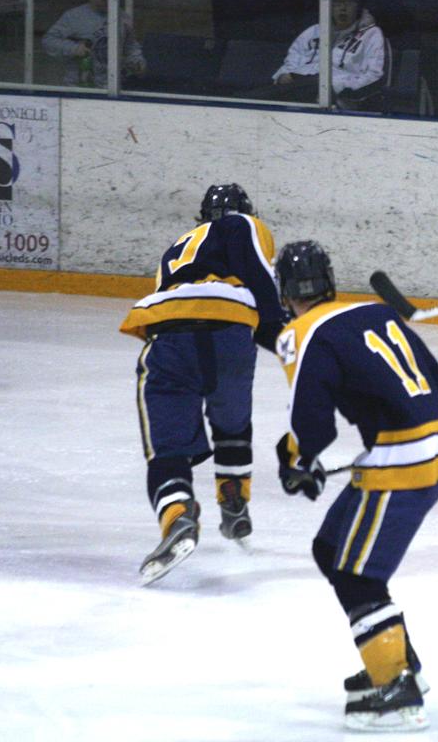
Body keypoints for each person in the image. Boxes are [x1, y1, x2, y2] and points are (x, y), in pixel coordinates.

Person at [272, 240, 438, 732]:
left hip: (401, 460)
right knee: (331, 548)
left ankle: (397, 689)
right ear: (329, 281)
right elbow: (437, 381)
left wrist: (295, 459)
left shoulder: (299, 333)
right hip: (426, 449)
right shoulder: (375, 312)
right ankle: (396, 658)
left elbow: (312, 424)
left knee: (357, 576)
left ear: (284, 292)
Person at [119, 184, 287, 585]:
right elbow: (260, 280)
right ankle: (234, 501)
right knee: (232, 421)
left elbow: (181, 297)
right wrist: (287, 337)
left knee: (168, 446)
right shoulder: (245, 225)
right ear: (244, 211)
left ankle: (178, 515)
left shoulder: (178, 247)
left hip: (172, 334)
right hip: (232, 332)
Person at [265, 0, 389, 110]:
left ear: (359, 6)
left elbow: (375, 76)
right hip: (296, 90)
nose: (343, 7)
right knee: (259, 100)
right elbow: (290, 63)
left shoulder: (372, 34)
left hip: (336, 100)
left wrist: (335, 87)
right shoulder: (313, 31)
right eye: (337, 2)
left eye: (349, 1)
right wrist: (282, 75)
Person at [42, 0, 146, 88]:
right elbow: (49, 41)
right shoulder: (74, 16)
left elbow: (130, 46)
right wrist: (73, 48)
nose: (111, 0)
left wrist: (137, 62)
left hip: (112, 86)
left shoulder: (123, 17)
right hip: (79, 86)